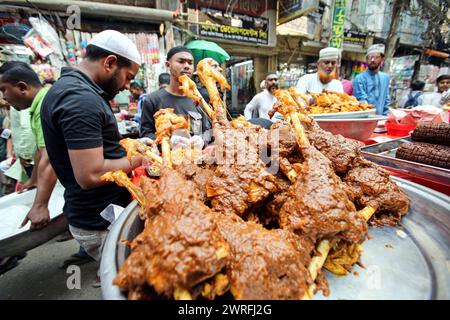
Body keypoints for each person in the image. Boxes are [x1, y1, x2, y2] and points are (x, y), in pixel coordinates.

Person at [40, 30, 143, 262]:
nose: (128, 85)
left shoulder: (75, 90)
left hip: (95, 212)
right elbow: (91, 174)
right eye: (128, 76)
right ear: (110, 63)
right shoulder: (80, 99)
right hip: (99, 219)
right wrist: (138, 159)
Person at [0, 61, 57, 230]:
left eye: (4, 89)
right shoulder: (37, 105)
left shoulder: (44, 106)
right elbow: (40, 151)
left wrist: (40, 205)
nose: (4, 97)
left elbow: (49, 155)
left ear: (22, 87)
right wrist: (33, 181)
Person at [140, 46, 212, 145]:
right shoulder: (152, 100)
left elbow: (207, 130)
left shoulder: (198, 100)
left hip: (196, 158)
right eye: (181, 61)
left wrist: (202, 141)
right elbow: (146, 134)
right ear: (168, 65)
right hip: (165, 158)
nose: (187, 66)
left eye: (190, 63)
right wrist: (167, 142)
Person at [353, 44, 390, 115]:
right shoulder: (359, 78)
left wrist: (385, 117)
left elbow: (386, 100)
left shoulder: (385, 78)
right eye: (370, 57)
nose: (372, 60)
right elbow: (361, 101)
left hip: (381, 119)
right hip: (365, 119)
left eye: (376, 57)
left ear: (382, 59)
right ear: (366, 60)